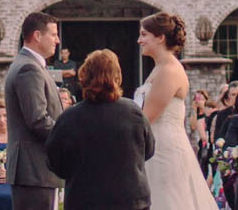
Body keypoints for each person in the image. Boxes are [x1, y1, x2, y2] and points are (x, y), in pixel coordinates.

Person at [45, 49, 155, 210]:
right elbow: (149, 149)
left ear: (84, 77)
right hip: (130, 200)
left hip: (84, 199)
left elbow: (54, 161)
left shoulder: (70, 117)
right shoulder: (133, 112)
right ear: (117, 77)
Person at [132, 12, 217, 209]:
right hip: (154, 145)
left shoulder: (169, 70)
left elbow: (147, 118)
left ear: (160, 37)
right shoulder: (159, 68)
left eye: (144, 35)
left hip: (164, 148)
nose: (139, 40)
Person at [5, 12, 65, 210]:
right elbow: (38, 119)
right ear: (37, 36)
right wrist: (69, 137)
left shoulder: (30, 65)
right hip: (33, 169)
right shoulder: (28, 69)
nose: (57, 40)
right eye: (53, 34)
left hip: (36, 170)